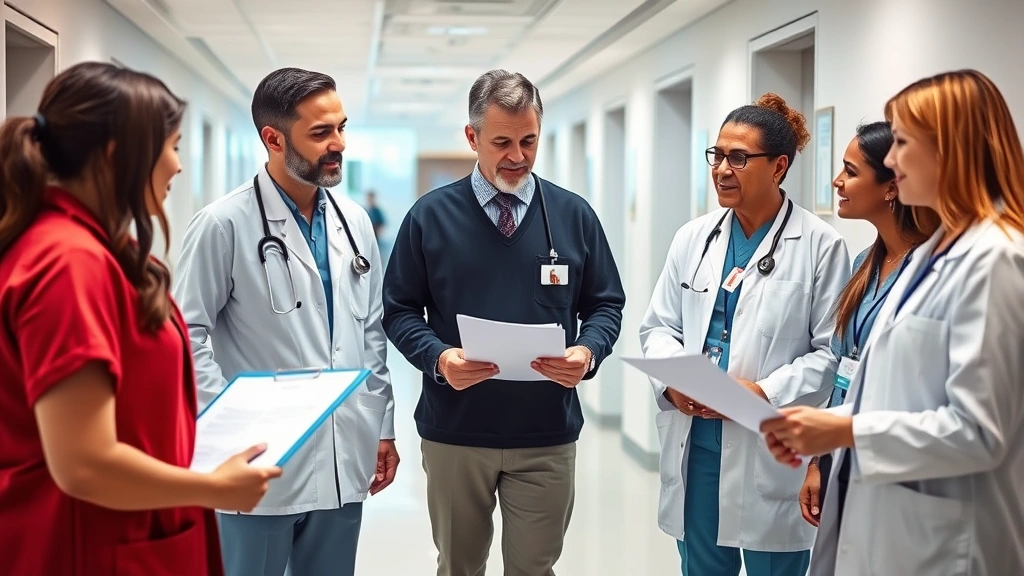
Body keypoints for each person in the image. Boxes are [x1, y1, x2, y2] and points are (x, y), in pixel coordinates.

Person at [0, 62, 279, 576]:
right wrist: (213, 487)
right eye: (171, 145)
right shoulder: (68, 263)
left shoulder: (104, 251)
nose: (177, 166)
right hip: (86, 543)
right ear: (116, 153)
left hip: (131, 533)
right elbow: (84, 463)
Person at [762, 69, 1024, 576]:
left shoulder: (996, 258)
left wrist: (845, 429)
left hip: (948, 543)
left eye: (903, 142)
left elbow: (978, 432)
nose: (894, 160)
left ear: (949, 150)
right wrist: (830, 432)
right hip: (889, 520)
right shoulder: (938, 251)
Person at [382, 69, 625, 576]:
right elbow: (400, 309)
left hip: (546, 434)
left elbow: (605, 303)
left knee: (535, 569)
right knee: (458, 567)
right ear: (472, 138)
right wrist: (439, 358)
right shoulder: (430, 217)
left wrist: (588, 352)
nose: (517, 156)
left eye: (529, 140)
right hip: (456, 433)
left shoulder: (573, 215)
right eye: (502, 142)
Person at [172, 67, 397, 576]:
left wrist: (382, 426)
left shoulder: (354, 220)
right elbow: (187, 334)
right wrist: (227, 428)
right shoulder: (222, 224)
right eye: (320, 133)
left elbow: (370, 333)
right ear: (272, 139)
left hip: (344, 453)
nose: (338, 143)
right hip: (257, 463)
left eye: (341, 127)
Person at [639, 93, 850, 576]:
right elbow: (659, 326)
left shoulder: (821, 246)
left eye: (738, 158)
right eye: (717, 155)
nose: (721, 169)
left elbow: (830, 355)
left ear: (778, 167)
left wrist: (762, 391)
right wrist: (673, 382)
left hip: (770, 446)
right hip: (699, 448)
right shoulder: (694, 237)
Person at [797, 122, 938, 527]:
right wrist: (818, 463)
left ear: (891, 187)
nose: (837, 181)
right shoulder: (863, 265)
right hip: (843, 451)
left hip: (893, 457)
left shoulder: (928, 272)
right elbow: (843, 370)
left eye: (851, 172)